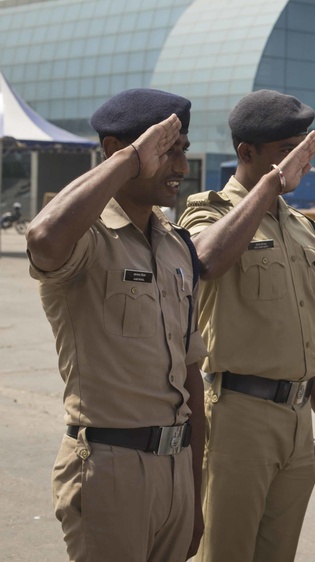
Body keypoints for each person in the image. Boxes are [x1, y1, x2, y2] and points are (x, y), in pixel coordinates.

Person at [26, 89, 207, 561]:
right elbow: (43, 239)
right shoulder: (86, 239)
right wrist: (130, 159)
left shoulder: (175, 246)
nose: (181, 167)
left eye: (183, 149)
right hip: (110, 468)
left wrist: (194, 489)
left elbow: (191, 375)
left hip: (176, 467)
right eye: (167, 150)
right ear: (114, 151)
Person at [178, 90, 315, 562]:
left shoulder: (301, 226)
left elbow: (305, 331)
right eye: (288, 152)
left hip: (295, 416)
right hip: (237, 415)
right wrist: (270, 186)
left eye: (303, 149)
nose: (302, 163)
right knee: (226, 551)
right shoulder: (208, 212)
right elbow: (204, 260)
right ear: (246, 153)